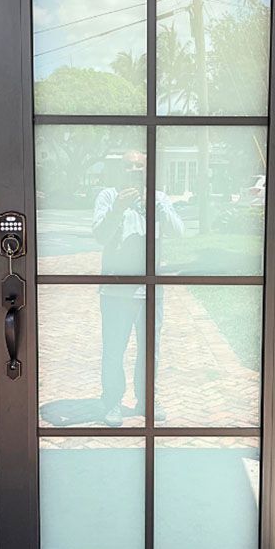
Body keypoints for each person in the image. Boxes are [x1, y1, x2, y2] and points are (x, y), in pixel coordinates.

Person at [92, 150, 183, 427]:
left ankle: (147, 399)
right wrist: (118, 208)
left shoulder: (159, 198)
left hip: (150, 290)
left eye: (138, 166)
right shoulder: (108, 196)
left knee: (149, 350)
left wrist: (159, 207)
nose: (133, 170)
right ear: (121, 170)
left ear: (147, 170)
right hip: (116, 290)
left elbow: (179, 233)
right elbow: (99, 236)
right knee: (114, 349)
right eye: (128, 166)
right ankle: (112, 402)